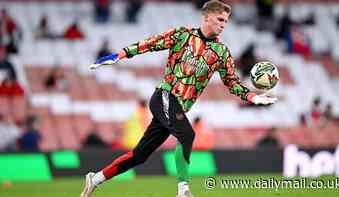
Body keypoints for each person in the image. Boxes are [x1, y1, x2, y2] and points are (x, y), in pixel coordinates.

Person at [80, 1, 277, 197]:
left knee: (139, 156)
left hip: (178, 108)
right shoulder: (183, 35)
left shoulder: (221, 53)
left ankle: (95, 178)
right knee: (187, 135)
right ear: (206, 17)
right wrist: (120, 54)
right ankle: (183, 190)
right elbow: (150, 43)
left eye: (225, 21)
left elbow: (232, 83)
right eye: (219, 19)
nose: (223, 25)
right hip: (164, 96)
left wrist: (252, 97)